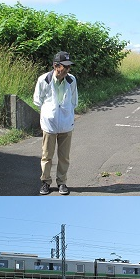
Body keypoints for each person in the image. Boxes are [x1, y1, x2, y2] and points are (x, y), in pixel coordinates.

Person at [33, 51, 78, 195]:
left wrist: (67, 113)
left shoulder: (71, 80)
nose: (67, 70)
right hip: (49, 125)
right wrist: (49, 113)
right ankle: (45, 182)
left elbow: (74, 101)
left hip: (66, 124)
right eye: (64, 67)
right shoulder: (43, 80)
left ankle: (62, 182)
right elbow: (37, 100)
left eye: (69, 67)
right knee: (47, 156)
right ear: (55, 66)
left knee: (64, 157)